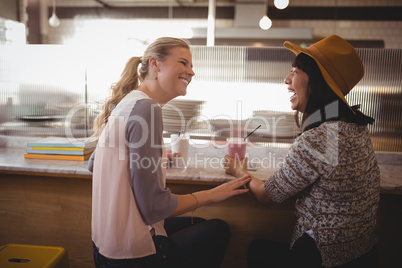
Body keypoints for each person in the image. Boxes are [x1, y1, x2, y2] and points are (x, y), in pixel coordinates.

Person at [88, 37, 251, 268]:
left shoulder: (128, 102)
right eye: (183, 63)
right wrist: (212, 194)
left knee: (200, 223)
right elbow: (155, 207)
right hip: (133, 255)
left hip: (103, 247)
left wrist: (156, 156)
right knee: (218, 228)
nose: (191, 72)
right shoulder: (147, 108)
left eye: (191, 66)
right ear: (155, 64)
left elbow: (96, 162)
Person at [224, 35, 380, 268]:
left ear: (317, 81)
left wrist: (239, 172)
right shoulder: (354, 127)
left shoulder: (319, 138)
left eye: (295, 71)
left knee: (254, 249)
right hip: (363, 252)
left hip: (325, 256)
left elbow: (268, 196)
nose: (287, 79)